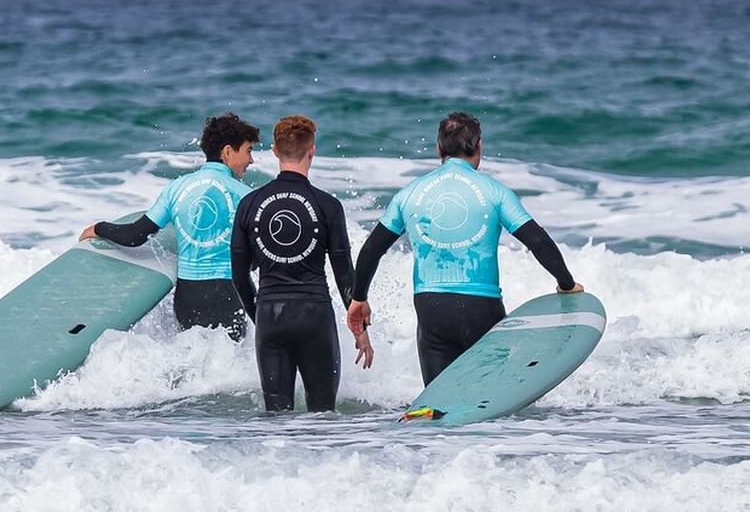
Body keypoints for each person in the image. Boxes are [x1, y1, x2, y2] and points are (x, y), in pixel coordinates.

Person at [346, 112, 583, 386]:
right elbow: (537, 241)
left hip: (431, 308)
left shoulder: (409, 194)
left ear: (438, 148)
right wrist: (566, 284)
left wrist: (359, 298)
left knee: (439, 399)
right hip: (482, 308)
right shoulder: (496, 192)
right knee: (490, 397)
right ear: (479, 146)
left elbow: (371, 250)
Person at [231, 115, 374, 412]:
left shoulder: (249, 204)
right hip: (315, 317)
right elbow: (345, 275)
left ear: (274, 151)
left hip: (271, 316)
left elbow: (239, 275)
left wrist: (261, 317)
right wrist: (360, 331)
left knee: (276, 417)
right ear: (312, 151)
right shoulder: (328, 205)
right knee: (323, 415)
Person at [79, 112, 260, 341]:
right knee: (229, 361)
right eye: (248, 151)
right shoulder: (247, 196)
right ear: (227, 152)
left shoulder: (176, 188)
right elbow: (260, 254)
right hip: (228, 295)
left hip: (187, 297)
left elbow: (136, 235)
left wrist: (99, 228)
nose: (251, 160)